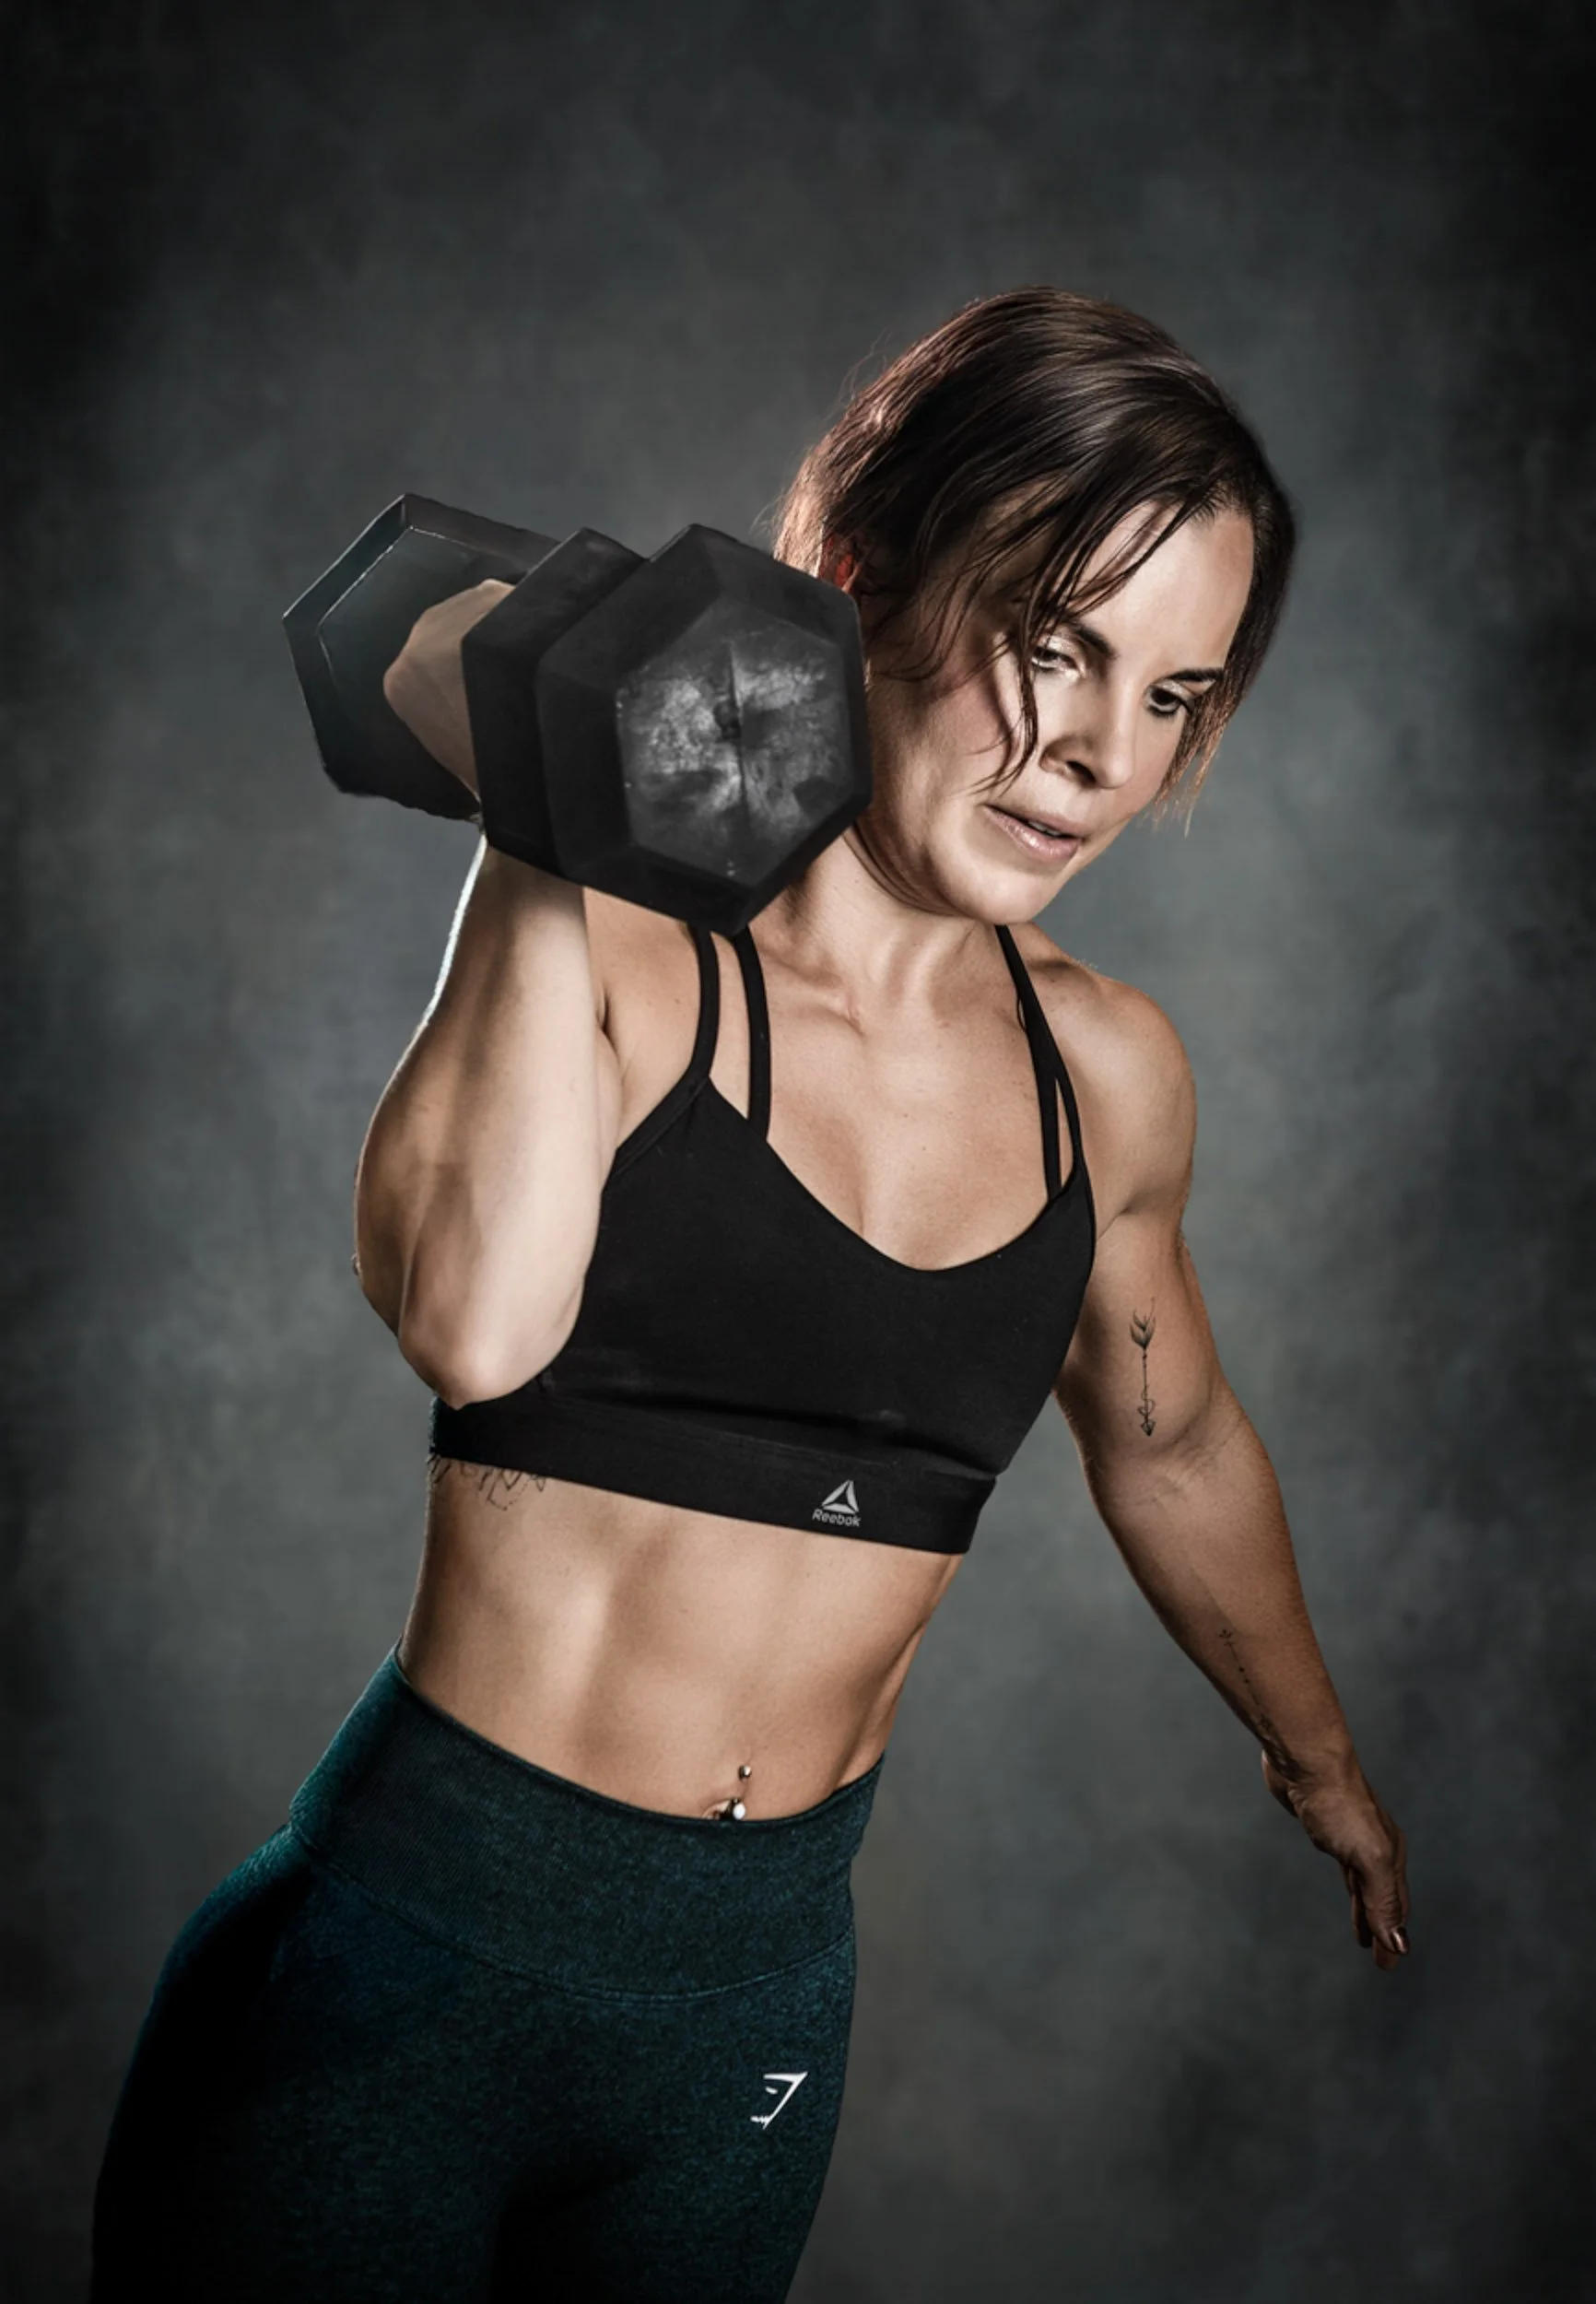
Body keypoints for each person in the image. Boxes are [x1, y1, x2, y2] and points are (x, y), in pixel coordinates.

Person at [92, 287, 1409, 2303]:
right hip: (410, 1977)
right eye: (1050, 644)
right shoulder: (621, 952)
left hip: (747, 2021)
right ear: (858, 577)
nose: (1089, 754)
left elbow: (1169, 1435)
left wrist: (1312, 1755)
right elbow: (471, 1323)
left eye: (1168, 695)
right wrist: (557, 813)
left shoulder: (1107, 1073)